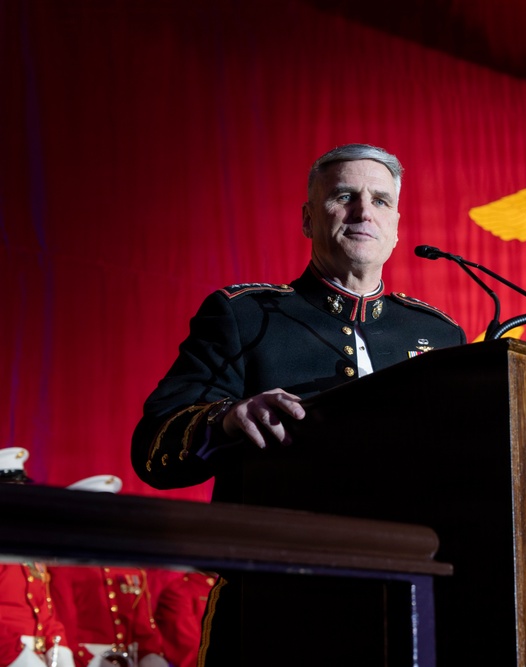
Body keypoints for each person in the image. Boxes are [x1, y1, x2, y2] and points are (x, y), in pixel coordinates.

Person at [130, 144, 466, 664]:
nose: (364, 211)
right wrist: (227, 419)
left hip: (408, 607)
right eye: (344, 196)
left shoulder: (441, 335)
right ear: (309, 219)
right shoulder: (245, 316)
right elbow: (153, 447)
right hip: (273, 605)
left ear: (397, 226)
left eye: (381, 200)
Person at [48, 475, 169, 667]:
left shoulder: (131, 569)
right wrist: (91, 661)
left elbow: (145, 630)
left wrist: (151, 655)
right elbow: (64, 626)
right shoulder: (65, 567)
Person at [0, 449, 74, 667]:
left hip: (36, 657)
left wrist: (59, 650)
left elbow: (44, 609)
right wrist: (19, 658)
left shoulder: (27, 545)